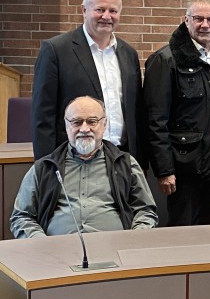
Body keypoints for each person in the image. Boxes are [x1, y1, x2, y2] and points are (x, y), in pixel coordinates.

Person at [144, 0, 210, 226]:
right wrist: (164, 170)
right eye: (198, 18)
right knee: (184, 228)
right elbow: (155, 120)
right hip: (185, 164)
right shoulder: (165, 60)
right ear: (186, 20)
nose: (205, 25)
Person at [11, 96, 157, 238]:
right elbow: (22, 217)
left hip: (114, 249)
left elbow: (145, 211)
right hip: (57, 251)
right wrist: (42, 244)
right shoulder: (44, 167)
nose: (85, 129)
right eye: (77, 122)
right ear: (66, 126)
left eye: (92, 121)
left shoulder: (125, 164)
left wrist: (133, 238)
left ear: (104, 124)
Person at [31, 0, 145, 165]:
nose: (106, 16)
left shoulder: (128, 54)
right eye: (100, 9)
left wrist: (139, 162)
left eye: (113, 11)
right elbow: (43, 117)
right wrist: (46, 166)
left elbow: (135, 113)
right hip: (74, 159)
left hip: (122, 158)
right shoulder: (56, 50)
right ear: (84, 10)